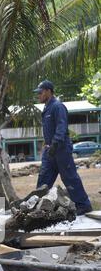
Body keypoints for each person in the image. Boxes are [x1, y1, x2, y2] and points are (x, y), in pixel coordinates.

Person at [34, 80, 92, 215]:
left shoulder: (58, 106)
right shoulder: (47, 108)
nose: (38, 96)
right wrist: (48, 145)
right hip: (50, 150)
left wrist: (55, 143)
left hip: (61, 149)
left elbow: (61, 126)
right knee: (44, 179)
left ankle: (83, 205)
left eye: (40, 92)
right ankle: (38, 207)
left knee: (70, 178)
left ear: (48, 91)